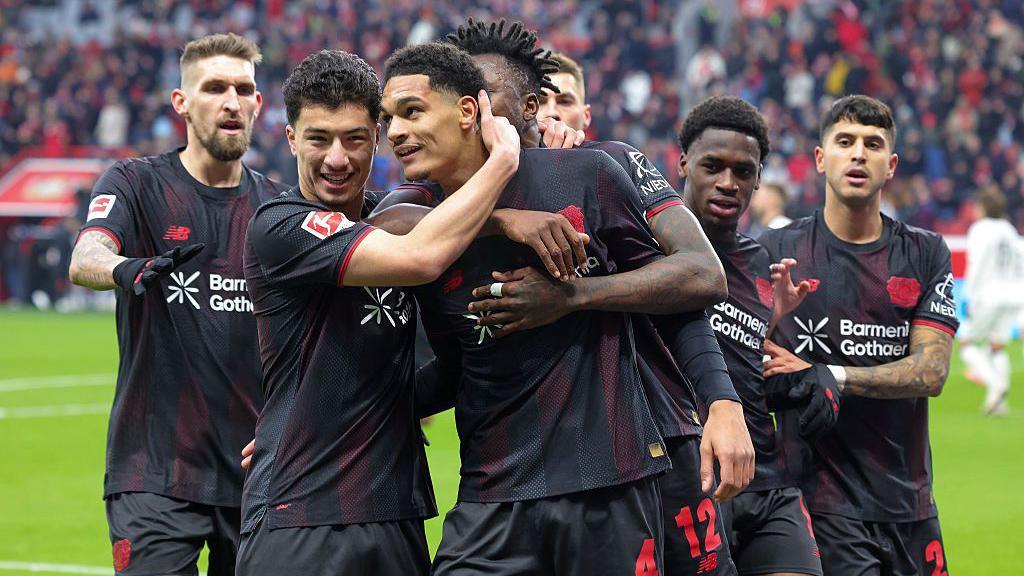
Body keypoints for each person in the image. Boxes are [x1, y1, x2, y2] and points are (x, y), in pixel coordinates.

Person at [383, 40, 714, 575]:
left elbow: (699, 276)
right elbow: (452, 365)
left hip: (608, 484)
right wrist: (332, 419)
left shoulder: (586, 175)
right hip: (492, 495)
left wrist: (571, 298)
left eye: (412, 112)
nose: (394, 131)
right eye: (389, 118)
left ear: (470, 111)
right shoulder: (418, 215)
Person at [235, 49, 523, 575]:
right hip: (302, 518)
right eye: (319, 138)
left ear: (377, 137)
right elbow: (421, 258)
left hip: (397, 515)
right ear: (291, 138)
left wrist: (324, 412)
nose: (337, 159)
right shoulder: (278, 225)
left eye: (354, 138)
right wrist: (505, 163)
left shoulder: (395, 216)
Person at [68, 33, 288, 576]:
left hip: (258, 476)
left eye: (244, 89)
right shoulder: (136, 184)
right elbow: (85, 254)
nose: (231, 102)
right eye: (214, 88)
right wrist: (125, 268)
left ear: (259, 104)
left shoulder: (279, 208)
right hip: (154, 473)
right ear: (182, 103)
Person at [760, 95, 958, 576]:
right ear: (820, 159)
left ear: (890, 166)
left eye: (872, 145)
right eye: (845, 142)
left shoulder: (925, 253)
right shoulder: (776, 250)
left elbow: (931, 370)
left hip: (911, 505)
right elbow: (741, 349)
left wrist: (833, 376)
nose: (858, 154)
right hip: (822, 505)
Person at [677, 96, 831, 576]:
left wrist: (777, 328)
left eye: (744, 172)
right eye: (713, 166)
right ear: (683, 162)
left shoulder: (761, 263)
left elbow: (748, 356)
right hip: (691, 478)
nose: (729, 183)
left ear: (759, 178)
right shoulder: (646, 246)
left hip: (767, 480)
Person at [959, 186, 1024, 415]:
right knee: (997, 346)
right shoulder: (1008, 229)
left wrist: (967, 295)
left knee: (966, 343)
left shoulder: (980, 229)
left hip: (989, 294)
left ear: (983, 207)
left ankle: (996, 385)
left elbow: (976, 264)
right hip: (1014, 295)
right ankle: (999, 405)